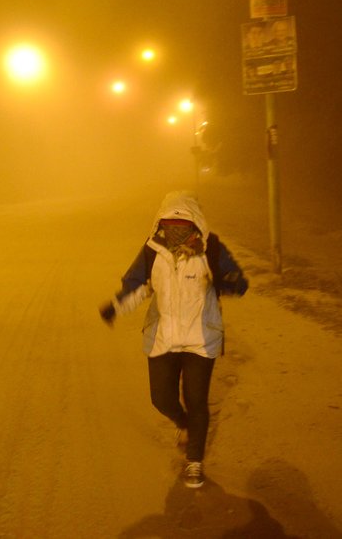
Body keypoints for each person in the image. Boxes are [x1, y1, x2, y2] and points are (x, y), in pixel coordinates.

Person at [99, 191, 248, 488]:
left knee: (197, 401)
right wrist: (116, 307)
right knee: (161, 398)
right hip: (163, 337)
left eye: (183, 225)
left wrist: (226, 281)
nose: (176, 231)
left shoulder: (210, 248)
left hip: (200, 338)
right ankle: (182, 423)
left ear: (196, 224)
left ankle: (195, 462)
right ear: (160, 223)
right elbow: (137, 285)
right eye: (169, 224)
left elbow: (238, 282)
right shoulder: (153, 249)